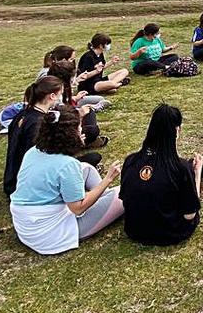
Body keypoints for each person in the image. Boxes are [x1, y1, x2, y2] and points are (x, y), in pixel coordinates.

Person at [9, 105, 124, 255]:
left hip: (26, 225)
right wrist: (107, 179)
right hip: (50, 234)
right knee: (125, 191)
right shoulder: (67, 165)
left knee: (87, 168)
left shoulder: (34, 151)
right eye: (79, 128)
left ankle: (107, 203)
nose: (82, 131)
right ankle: (110, 203)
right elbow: (78, 208)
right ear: (69, 135)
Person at [120, 104, 203, 246]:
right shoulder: (179, 168)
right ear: (177, 130)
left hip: (134, 230)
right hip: (169, 233)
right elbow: (190, 214)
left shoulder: (131, 161)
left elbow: (125, 199)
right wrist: (197, 175)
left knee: (187, 167)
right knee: (190, 168)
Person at [3, 76, 64, 196]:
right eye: (60, 94)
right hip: (25, 184)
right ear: (52, 96)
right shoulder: (37, 123)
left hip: (13, 177)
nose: (60, 98)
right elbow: (39, 158)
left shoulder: (23, 115)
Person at [47, 60, 107, 148]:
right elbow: (61, 121)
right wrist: (79, 115)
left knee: (89, 111)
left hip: (68, 122)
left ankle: (88, 139)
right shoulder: (54, 96)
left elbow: (66, 105)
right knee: (92, 130)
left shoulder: (59, 88)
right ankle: (85, 142)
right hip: (61, 132)